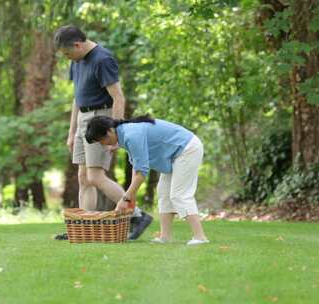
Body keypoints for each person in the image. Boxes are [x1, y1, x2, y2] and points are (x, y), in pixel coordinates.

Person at [53, 25, 152, 240]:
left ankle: (138, 214)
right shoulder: (77, 61)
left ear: (78, 45)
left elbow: (118, 97)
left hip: (100, 120)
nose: (68, 58)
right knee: (83, 178)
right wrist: (71, 132)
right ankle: (85, 226)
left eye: (68, 53)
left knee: (95, 176)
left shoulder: (102, 59)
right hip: (82, 119)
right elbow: (77, 98)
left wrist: (116, 131)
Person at [85, 115, 209, 245]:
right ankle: (165, 237)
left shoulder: (131, 135)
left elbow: (142, 172)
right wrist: (131, 196)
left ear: (110, 131)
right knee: (163, 193)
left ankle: (200, 237)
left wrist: (125, 199)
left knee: (179, 195)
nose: (103, 144)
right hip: (175, 155)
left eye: (101, 140)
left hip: (187, 149)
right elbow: (137, 166)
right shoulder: (125, 134)